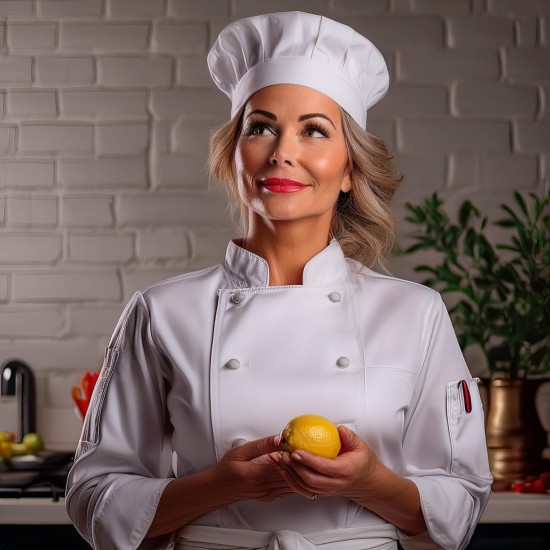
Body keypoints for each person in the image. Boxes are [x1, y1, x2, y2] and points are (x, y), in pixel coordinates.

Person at [66, 11, 492, 550]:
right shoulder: (161, 312)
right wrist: (218, 487)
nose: (282, 151)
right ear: (233, 157)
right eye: (261, 127)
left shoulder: (415, 313)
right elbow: (94, 498)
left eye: (314, 130)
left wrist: (372, 484)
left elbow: (462, 501)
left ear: (349, 171)